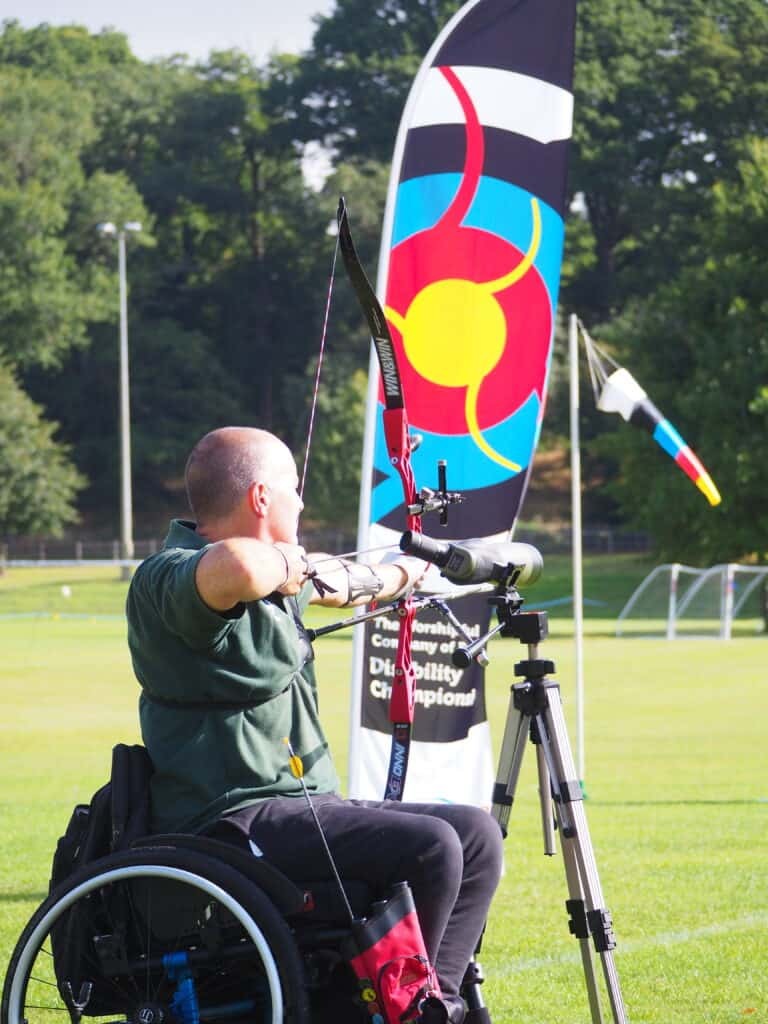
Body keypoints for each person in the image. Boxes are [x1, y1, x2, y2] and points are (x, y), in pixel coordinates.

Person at [126, 426, 503, 1024]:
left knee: (476, 835)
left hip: (302, 810)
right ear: (259, 499)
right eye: (293, 489)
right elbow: (236, 567)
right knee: (431, 847)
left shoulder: (281, 580)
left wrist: (415, 571)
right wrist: (291, 563)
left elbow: (348, 581)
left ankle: (431, 1005)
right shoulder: (168, 576)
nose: (301, 502)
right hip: (231, 820)